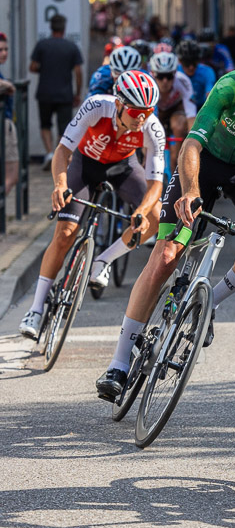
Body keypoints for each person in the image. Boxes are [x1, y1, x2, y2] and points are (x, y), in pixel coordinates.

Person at [96, 36, 235, 401]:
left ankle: (209, 302)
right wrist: (191, 191)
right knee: (166, 256)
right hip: (204, 162)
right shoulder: (233, 86)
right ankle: (119, 363)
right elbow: (192, 144)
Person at [18, 72, 165, 339]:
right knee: (64, 234)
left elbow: (156, 183)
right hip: (85, 165)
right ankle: (36, 309)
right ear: (119, 104)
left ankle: (103, 261)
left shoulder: (151, 128)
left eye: (148, 110)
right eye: (135, 110)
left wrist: (141, 211)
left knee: (155, 216)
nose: (142, 117)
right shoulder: (97, 106)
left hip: (122, 167)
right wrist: (60, 184)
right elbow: (63, 151)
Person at [30, 14, 84, 170]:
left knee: (45, 125)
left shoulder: (42, 45)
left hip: (45, 92)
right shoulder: (71, 47)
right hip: (65, 94)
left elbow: (32, 67)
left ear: (51, 27)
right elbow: (78, 72)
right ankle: (57, 155)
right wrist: (78, 92)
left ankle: (48, 153)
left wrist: (44, 68)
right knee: (64, 128)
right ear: (64, 28)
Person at [148, 51, 196, 174]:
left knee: (179, 126)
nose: (165, 81)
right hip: (154, 111)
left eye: (169, 76)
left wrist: (192, 143)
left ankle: (178, 162)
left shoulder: (183, 81)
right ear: (153, 74)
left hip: (175, 110)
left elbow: (191, 116)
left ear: (175, 74)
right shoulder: (147, 83)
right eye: (160, 76)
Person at [176, 40, 216, 112]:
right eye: (187, 63)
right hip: (181, 108)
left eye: (194, 62)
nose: (191, 67)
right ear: (180, 61)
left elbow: (210, 95)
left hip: (201, 108)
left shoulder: (207, 71)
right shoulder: (175, 72)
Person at [0, 33, 18, 194]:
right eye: (0, 50)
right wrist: (7, 85)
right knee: (12, 174)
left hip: (6, 122)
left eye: (6, 49)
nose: (4, 53)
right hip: (4, 123)